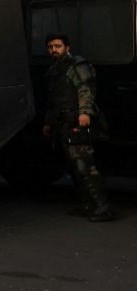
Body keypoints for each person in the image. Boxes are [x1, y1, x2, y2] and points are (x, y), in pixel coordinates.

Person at [43, 33, 114, 222]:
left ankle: (102, 207)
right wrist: (49, 123)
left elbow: (85, 89)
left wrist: (84, 113)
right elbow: (54, 100)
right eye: (50, 47)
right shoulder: (54, 70)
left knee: (85, 166)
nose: (54, 50)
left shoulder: (76, 65)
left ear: (67, 47)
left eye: (57, 46)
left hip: (76, 122)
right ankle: (88, 205)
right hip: (63, 124)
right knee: (75, 167)